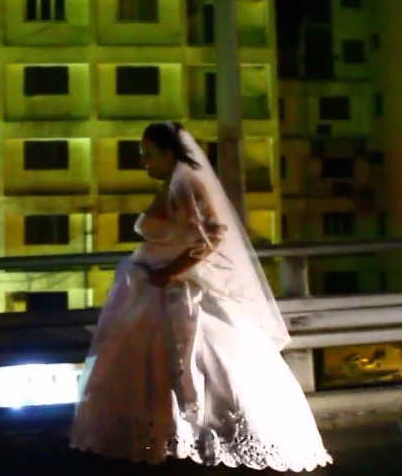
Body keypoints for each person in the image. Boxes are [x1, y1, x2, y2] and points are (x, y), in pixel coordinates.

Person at [69, 122, 333, 472]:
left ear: (169, 153)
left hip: (175, 289)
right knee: (158, 362)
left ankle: (202, 432)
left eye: (149, 154)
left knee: (199, 360)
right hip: (151, 290)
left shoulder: (186, 182)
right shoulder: (174, 182)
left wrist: (171, 271)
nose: (144, 162)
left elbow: (215, 231)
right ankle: (165, 433)